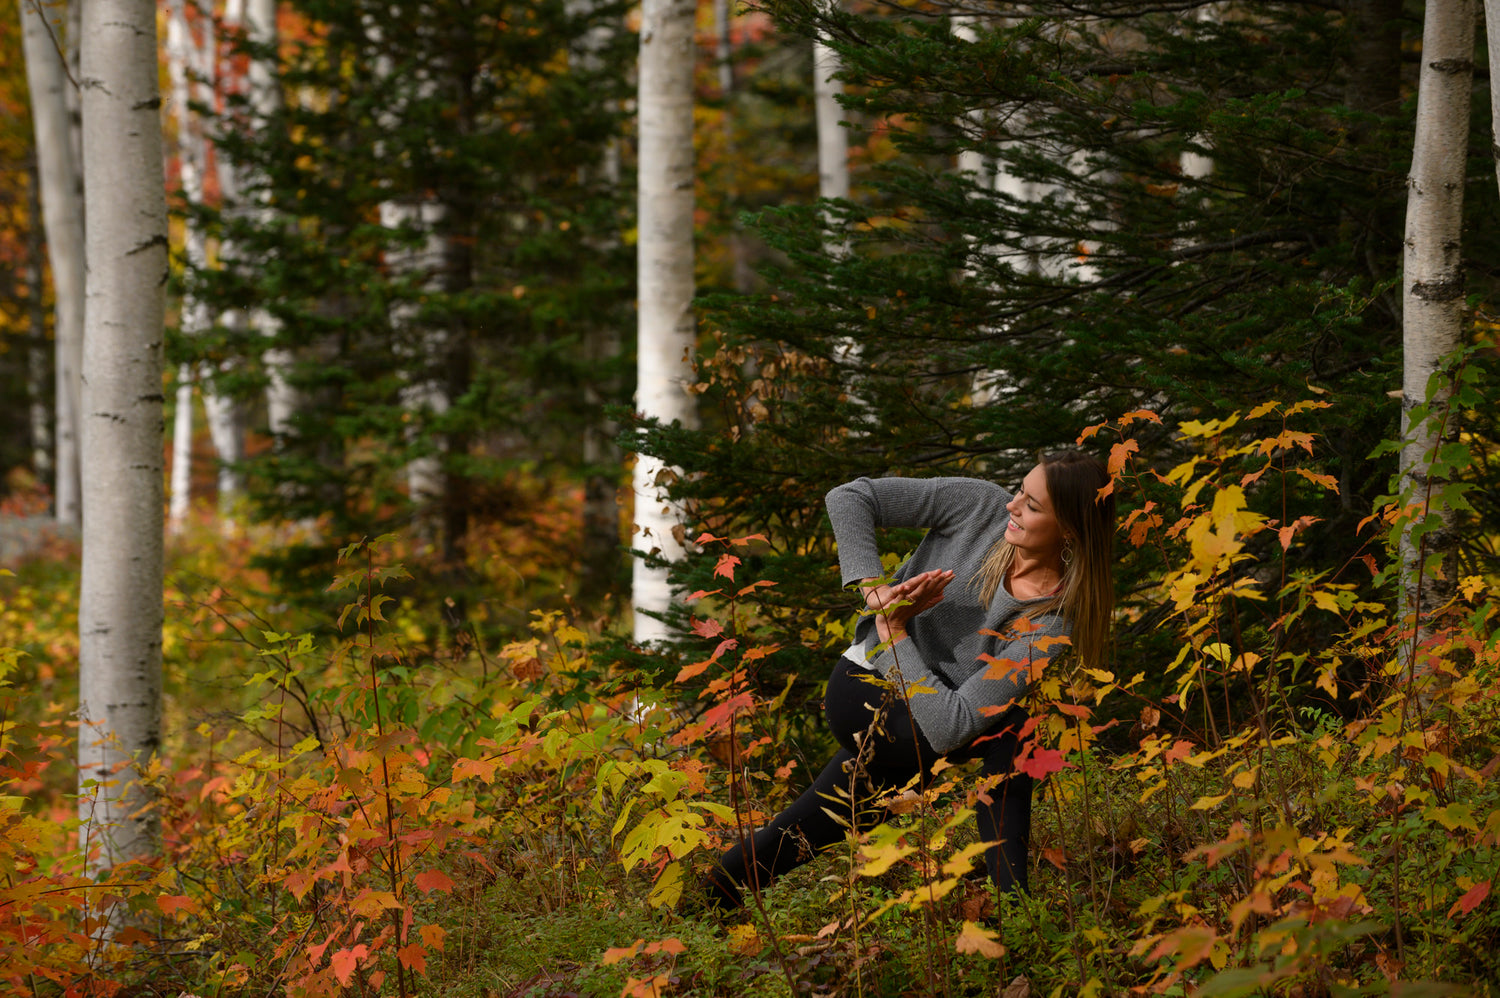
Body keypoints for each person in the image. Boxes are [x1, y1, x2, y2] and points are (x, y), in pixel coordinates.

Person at [701, 450, 1116, 913]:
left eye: (1032, 505)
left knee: (820, 819)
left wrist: (896, 632)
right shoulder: (978, 506)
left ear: (1071, 531)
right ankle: (1016, 910)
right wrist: (873, 591)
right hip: (865, 686)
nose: (1011, 506)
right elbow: (851, 496)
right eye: (1020, 490)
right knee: (1010, 733)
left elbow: (947, 726)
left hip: (927, 720)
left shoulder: (1048, 624)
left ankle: (703, 900)